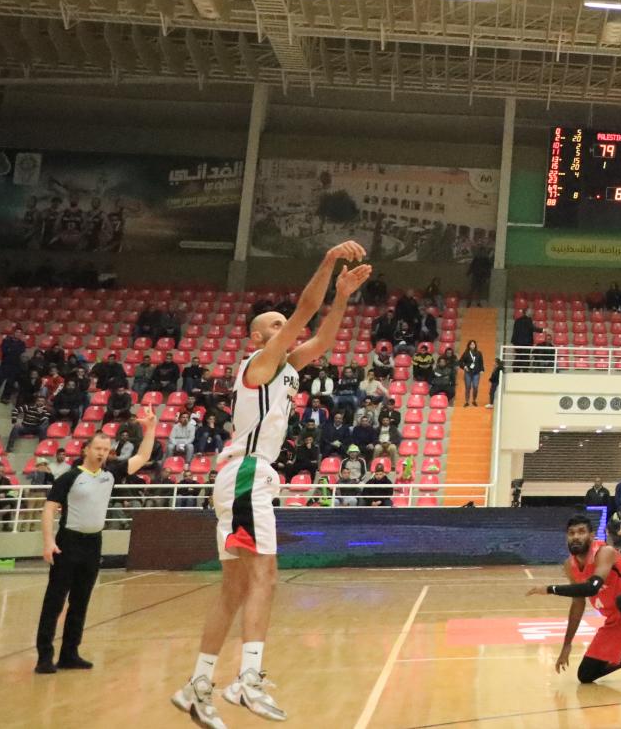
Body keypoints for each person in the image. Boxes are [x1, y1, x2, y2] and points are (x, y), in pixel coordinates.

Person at [173, 241, 370, 728]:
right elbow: (307, 311)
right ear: (258, 338)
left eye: (284, 325)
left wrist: (342, 297)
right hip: (246, 474)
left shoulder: (285, 372)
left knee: (234, 590)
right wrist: (327, 263)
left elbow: (321, 341)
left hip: (240, 477)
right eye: (276, 326)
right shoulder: (258, 367)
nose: (286, 330)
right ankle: (248, 679)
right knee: (266, 577)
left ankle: (198, 684)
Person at [35, 408, 155, 673]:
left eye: (106, 448)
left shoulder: (110, 474)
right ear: (86, 450)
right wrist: (47, 542)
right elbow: (49, 508)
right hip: (67, 543)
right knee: (55, 601)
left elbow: (144, 456)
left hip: (93, 544)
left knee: (81, 600)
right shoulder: (69, 477)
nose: (102, 452)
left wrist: (151, 428)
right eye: (97, 447)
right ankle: (44, 656)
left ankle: (69, 653)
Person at [526, 513, 621, 692]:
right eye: (571, 533)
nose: (576, 536)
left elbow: (592, 587)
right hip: (617, 618)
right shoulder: (570, 566)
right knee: (586, 674)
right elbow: (578, 604)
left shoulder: (604, 552)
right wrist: (567, 644)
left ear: (592, 536)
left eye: (581, 532)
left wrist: (550, 589)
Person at [460, 341, 485, 407]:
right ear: (469, 345)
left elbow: (481, 362)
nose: (472, 345)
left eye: (473, 344)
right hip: (468, 373)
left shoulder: (479, 353)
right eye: (471, 344)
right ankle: (467, 401)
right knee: (468, 387)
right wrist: (464, 367)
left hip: (476, 373)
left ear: (475, 345)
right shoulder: (466, 353)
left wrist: (482, 370)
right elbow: (460, 362)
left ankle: (474, 400)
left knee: (475, 387)